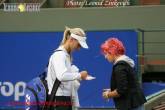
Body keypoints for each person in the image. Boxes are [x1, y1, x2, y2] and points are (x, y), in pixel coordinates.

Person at [46, 26, 89, 110]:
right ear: (72, 39)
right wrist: (79, 75)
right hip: (58, 100)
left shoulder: (66, 55)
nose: (79, 48)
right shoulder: (59, 55)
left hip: (64, 99)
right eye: (78, 45)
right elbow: (61, 76)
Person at [101, 38, 146, 110]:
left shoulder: (119, 67)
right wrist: (112, 89)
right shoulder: (127, 62)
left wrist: (108, 95)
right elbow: (128, 85)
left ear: (112, 52)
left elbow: (121, 90)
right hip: (136, 103)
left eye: (106, 53)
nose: (105, 57)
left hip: (130, 105)